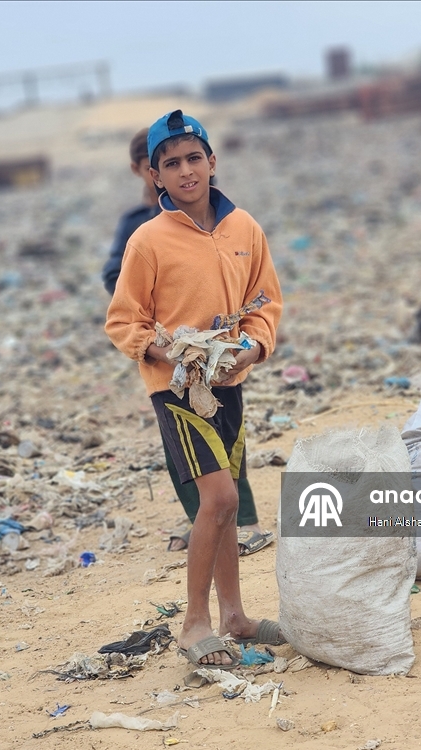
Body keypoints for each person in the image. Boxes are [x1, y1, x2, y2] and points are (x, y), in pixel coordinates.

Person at [105, 110, 284, 668]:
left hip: (228, 382)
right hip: (178, 389)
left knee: (225, 504)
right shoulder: (147, 240)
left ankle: (235, 617)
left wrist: (252, 349)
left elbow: (265, 305)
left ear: (212, 162)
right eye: (172, 164)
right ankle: (194, 624)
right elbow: (123, 320)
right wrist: (169, 351)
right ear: (154, 175)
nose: (185, 171)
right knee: (221, 499)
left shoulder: (245, 229)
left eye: (193, 159)